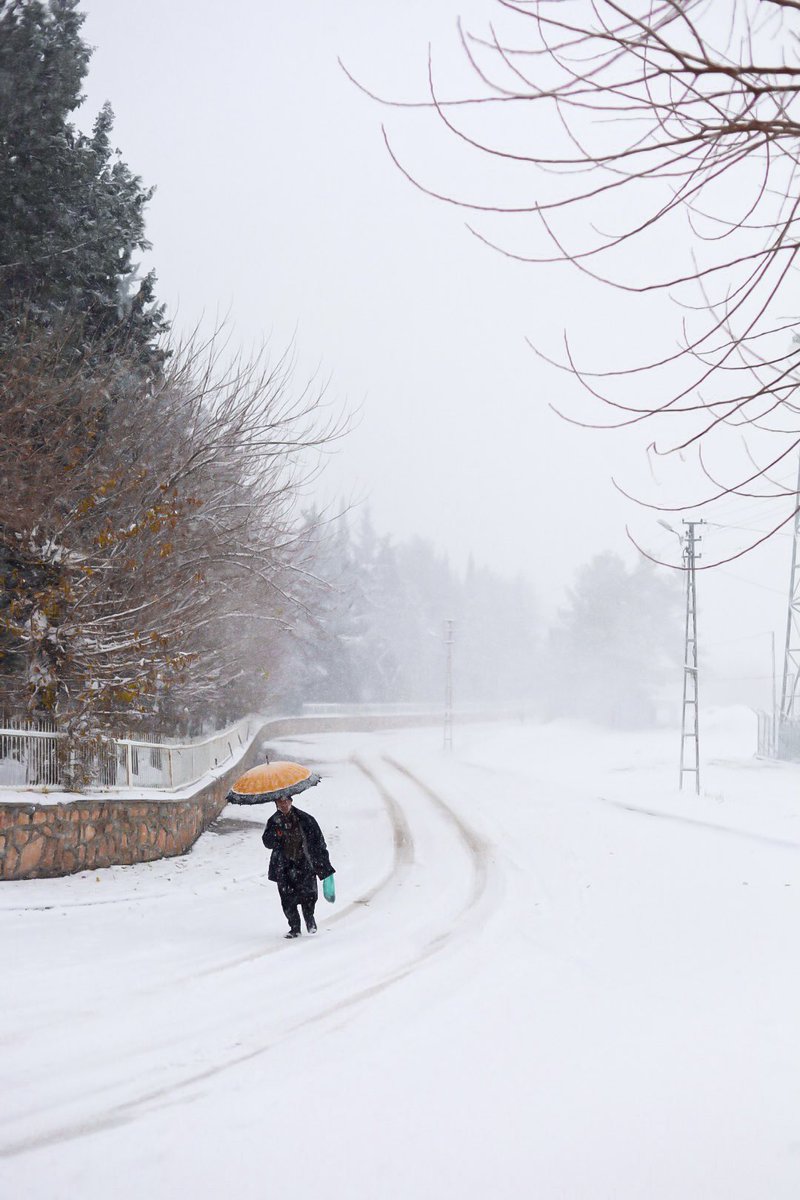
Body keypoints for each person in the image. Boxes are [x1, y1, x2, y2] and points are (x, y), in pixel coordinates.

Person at [262, 794, 334, 938]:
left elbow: (319, 842)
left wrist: (324, 865)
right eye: (280, 802)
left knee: (309, 894)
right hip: (284, 865)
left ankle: (309, 919)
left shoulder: (306, 819)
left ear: (291, 801)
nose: (283, 805)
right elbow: (267, 843)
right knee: (287, 898)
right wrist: (276, 834)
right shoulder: (274, 821)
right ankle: (294, 928)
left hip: (304, 863)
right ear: (276, 804)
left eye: (286, 801)